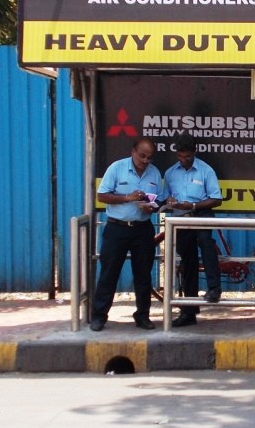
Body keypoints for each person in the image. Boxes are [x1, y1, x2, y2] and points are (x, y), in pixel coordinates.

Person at [91, 137, 162, 332]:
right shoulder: (116, 168)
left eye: (149, 157)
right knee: (109, 273)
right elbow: (102, 195)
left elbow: (157, 203)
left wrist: (151, 208)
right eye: (142, 156)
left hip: (142, 229)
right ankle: (98, 316)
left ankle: (143, 316)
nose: (145, 160)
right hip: (117, 228)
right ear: (133, 151)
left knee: (143, 274)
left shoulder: (154, 173)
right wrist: (127, 197)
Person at [163, 133, 224, 327]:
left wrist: (194, 206)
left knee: (206, 243)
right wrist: (170, 201)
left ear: (194, 152)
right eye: (180, 156)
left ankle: (214, 289)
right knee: (187, 260)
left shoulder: (205, 170)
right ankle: (188, 311)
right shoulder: (170, 173)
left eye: (187, 157)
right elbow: (164, 199)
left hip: (202, 213)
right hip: (181, 219)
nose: (184, 160)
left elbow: (217, 198)